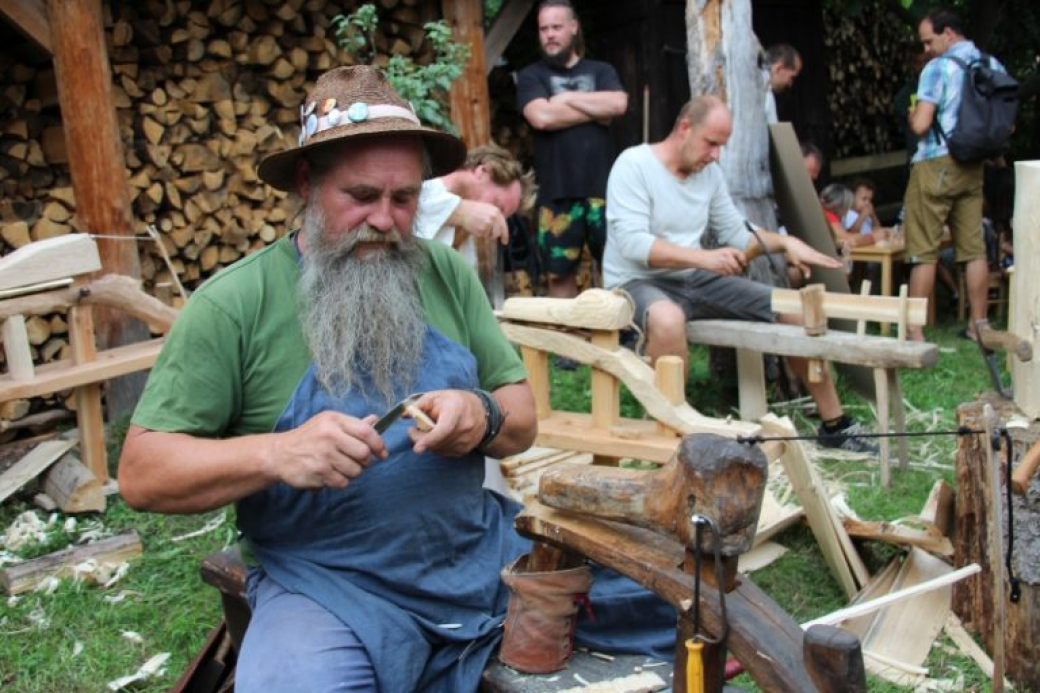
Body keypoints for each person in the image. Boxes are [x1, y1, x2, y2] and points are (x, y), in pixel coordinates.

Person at [118, 66, 673, 692]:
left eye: (404, 199)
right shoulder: (234, 305)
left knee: (683, 595)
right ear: (307, 182)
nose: (385, 220)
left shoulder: (443, 272)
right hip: (327, 585)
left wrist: (479, 416)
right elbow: (142, 473)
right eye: (361, 196)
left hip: (478, 554)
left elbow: (520, 421)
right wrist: (277, 452)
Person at [603, 94, 878, 453]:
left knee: (791, 306)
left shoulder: (709, 175)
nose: (716, 155)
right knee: (668, 320)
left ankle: (835, 425)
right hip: (635, 282)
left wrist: (785, 242)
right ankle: (674, 433)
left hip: (692, 278)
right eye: (712, 143)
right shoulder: (634, 164)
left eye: (722, 146)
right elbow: (634, 245)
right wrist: (706, 259)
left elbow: (737, 233)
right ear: (685, 128)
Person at [903, 7, 1008, 342]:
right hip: (973, 164)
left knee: (923, 249)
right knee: (973, 248)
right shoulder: (991, 64)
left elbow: (921, 124)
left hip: (936, 162)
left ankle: (915, 331)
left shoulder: (938, 68)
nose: (926, 49)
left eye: (929, 41)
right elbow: (1008, 120)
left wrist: (912, 118)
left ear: (948, 33)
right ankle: (979, 325)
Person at [516, 0, 628, 301]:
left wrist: (563, 100)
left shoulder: (601, 70)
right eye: (544, 29)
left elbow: (618, 105)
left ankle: (620, 338)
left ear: (573, 27)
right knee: (559, 273)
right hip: (556, 193)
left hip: (604, 191)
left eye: (556, 27)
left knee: (616, 269)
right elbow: (541, 116)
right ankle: (568, 345)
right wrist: (596, 110)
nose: (550, 34)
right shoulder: (531, 76)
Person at [413, 142, 536, 269]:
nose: (493, 220)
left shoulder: (465, 243)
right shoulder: (422, 180)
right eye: (496, 207)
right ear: (482, 172)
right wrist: (460, 211)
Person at [764, 43, 802, 124]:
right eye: (791, 77)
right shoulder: (763, 92)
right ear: (779, 68)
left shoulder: (768, 92)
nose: (790, 84)